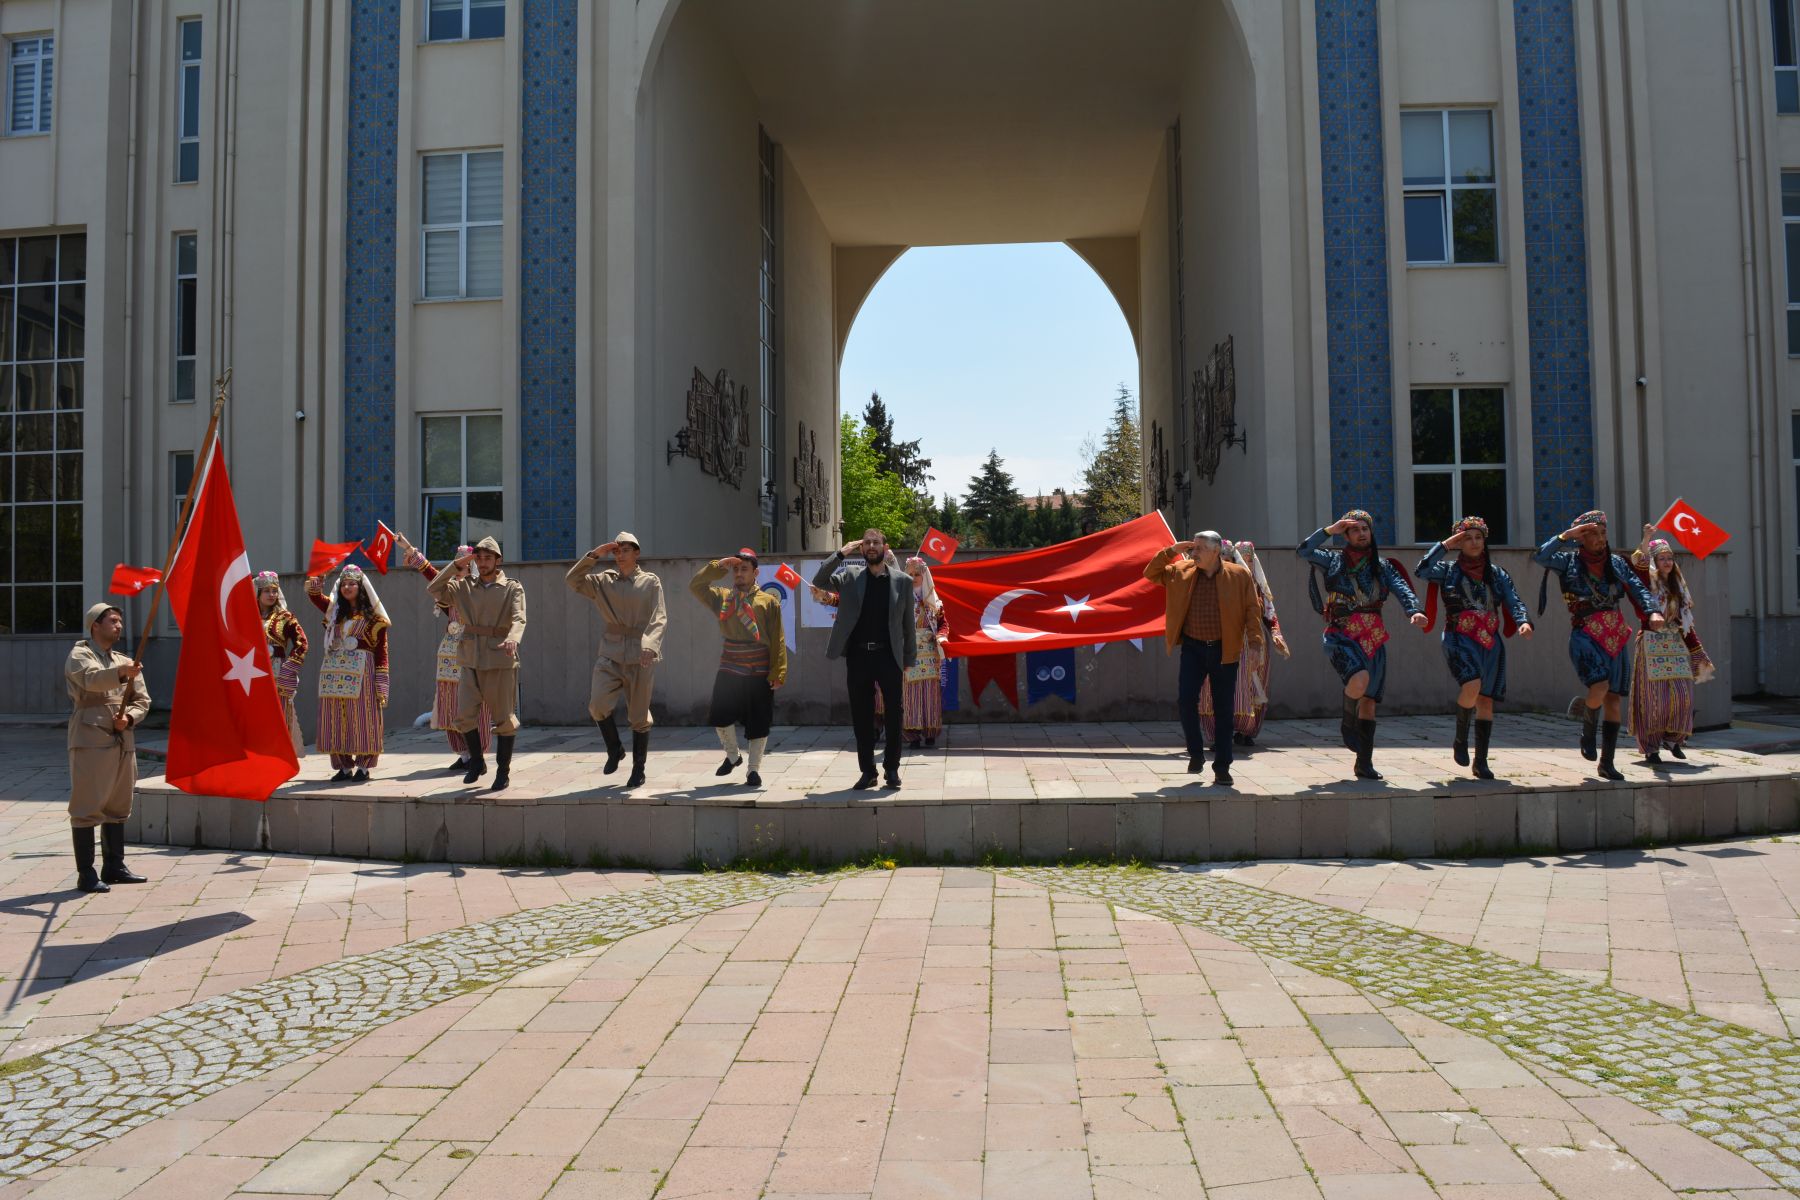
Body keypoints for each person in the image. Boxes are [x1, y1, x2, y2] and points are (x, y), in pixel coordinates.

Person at [1297, 509, 1426, 781]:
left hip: (1373, 636)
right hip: (1341, 634)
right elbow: (1304, 550)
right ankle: (1347, 721)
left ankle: (1363, 763)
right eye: (1354, 529)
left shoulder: (1383, 565)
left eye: (1365, 528)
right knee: (1359, 680)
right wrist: (1329, 530)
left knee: (1369, 701)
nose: (1361, 533)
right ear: (1346, 534)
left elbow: (1401, 587)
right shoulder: (1331, 560)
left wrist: (1413, 610)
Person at [1534, 509, 1662, 781]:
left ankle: (1607, 762)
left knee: (1614, 699)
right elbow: (1540, 556)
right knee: (1599, 686)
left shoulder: (1617, 563)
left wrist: (1652, 611)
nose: (1601, 538)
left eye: (1603, 533)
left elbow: (1638, 590)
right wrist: (1565, 536)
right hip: (1585, 633)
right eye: (1593, 534)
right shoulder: (1566, 562)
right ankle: (1588, 728)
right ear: (1581, 538)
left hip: (1615, 633)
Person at [1415, 517, 1532, 780]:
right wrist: (1445, 545)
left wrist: (1523, 621)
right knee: (1471, 684)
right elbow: (1421, 570)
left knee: (1486, 700)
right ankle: (1459, 737)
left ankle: (1481, 761)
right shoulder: (1447, 571)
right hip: (1459, 637)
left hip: (1490, 641)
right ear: (1459, 542)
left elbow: (1514, 601)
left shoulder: (1497, 573)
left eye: (1478, 537)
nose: (1474, 542)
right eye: (1467, 538)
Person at [1145, 531, 1265, 785]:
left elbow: (1252, 610)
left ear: (1215, 550)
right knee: (1186, 700)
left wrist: (1255, 643)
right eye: (1193, 547)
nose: (1193, 551)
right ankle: (1196, 752)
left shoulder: (1239, 575)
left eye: (1199, 548)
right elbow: (1151, 573)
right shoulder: (1181, 571)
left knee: (1224, 709)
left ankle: (1222, 767)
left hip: (1225, 650)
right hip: (1193, 648)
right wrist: (1170, 550)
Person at [815, 529, 917, 789]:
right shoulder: (849, 577)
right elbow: (819, 579)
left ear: (885, 546)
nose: (872, 546)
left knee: (895, 713)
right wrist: (841, 552)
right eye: (867, 543)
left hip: (889, 655)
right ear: (862, 550)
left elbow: (908, 625)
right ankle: (868, 771)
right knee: (862, 715)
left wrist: (909, 658)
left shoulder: (902, 581)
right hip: (859, 656)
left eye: (876, 542)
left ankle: (892, 770)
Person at [426, 536, 527, 790]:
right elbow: (435, 590)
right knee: (464, 716)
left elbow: (519, 618)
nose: (482, 563)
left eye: (488, 558)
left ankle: (503, 771)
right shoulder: (464, 586)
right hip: (470, 657)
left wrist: (513, 639)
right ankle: (477, 762)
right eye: (479, 558)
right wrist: (455, 566)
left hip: (499, 658)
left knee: (504, 719)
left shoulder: (512, 587)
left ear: (498, 560)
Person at [568, 532, 667, 787]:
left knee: (638, 715)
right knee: (597, 704)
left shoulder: (650, 582)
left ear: (637, 553)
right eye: (616, 551)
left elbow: (659, 617)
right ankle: (614, 749)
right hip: (610, 652)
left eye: (625, 550)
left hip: (640, 655)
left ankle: (638, 769)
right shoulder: (603, 581)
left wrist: (650, 645)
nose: (620, 555)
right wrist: (594, 555)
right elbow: (573, 580)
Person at [64, 604, 151, 893]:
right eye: (112, 621)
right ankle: (85, 873)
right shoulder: (79, 655)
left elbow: (142, 700)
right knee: (87, 804)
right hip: (90, 736)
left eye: (120, 621)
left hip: (122, 739)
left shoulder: (126, 660)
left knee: (118, 804)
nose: (119, 626)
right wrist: (122, 672)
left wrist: (129, 718)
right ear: (95, 625)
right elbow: (91, 679)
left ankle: (115, 866)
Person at [691, 548, 787, 788]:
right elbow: (696, 586)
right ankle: (733, 756)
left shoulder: (769, 601)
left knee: (759, 721)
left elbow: (778, 639)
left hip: (759, 669)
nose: (739, 573)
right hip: (730, 666)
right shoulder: (723, 598)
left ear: (755, 573)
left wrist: (778, 672)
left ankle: (753, 771)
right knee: (719, 716)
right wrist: (719, 565)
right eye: (736, 569)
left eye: (744, 569)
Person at [397, 537, 493, 774]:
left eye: (464, 566)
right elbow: (432, 575)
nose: (459, 571)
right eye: (456, 566)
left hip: (474, 652)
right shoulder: (449, 592)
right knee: (450, 706)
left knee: (473, 705)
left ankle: (477, 753)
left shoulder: (482, 591)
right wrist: (411, 550)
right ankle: (463, 753)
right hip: (449, 656)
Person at [1628, 525, 1714, 763]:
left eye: (1670, 558)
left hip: (1675, 644)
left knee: (1682, 696)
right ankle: (1651, 748)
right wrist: (1646, 537)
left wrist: (1697, 652)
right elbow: (1640, 562)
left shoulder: (1678, 588)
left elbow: (1685, 622)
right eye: (1662, 558)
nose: (1666, 562)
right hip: (1651, 644)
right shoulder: (1647, 583)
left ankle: (1674, 740)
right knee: (1656, 701)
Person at [1196, 540, 1289, 750]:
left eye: (1246, 558)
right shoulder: (1207, 579)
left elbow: (1267, 611)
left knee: (1248, 685)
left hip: (1249, 642)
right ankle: (1221, 732)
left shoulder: (1252, 584)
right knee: (1213, 686)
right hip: (1215, 639)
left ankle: (1246, 730)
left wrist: (1276, 634)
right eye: (1226, 558)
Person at [305, 564, 390, 781]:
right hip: (334, 671)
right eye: (343, 584)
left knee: (363, 718)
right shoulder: (336, 614)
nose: (347, 587)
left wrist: (381, 681)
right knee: (335, 717)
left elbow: (381, 651)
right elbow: (315, 597)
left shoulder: (375, 619)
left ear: (361, 587)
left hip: (363, 671)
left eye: (352, 583)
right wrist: (320, 576)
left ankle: (363, 766)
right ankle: (343, 767)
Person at [896, 556, 950, 748]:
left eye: (917, 574)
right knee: (910, 693)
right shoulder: (900, 600)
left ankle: (930, 733)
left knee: (930, 693)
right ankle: (912, 735)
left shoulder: (934, 602)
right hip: (908, 651)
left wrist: (942, 636)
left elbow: (943, 624)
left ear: (924, 575)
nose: (914, 577)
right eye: (910, 574)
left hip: (929, 652)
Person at [257, 570, 308, 757]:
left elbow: (302, 643)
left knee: (280, 714)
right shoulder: (246, 616)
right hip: (252, 671)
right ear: (258, 593)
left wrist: (290, 667)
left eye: (274, 590)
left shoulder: (285, 618)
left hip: (279, 670)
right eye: (267, 591)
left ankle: (282, 759)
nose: (272, 595)